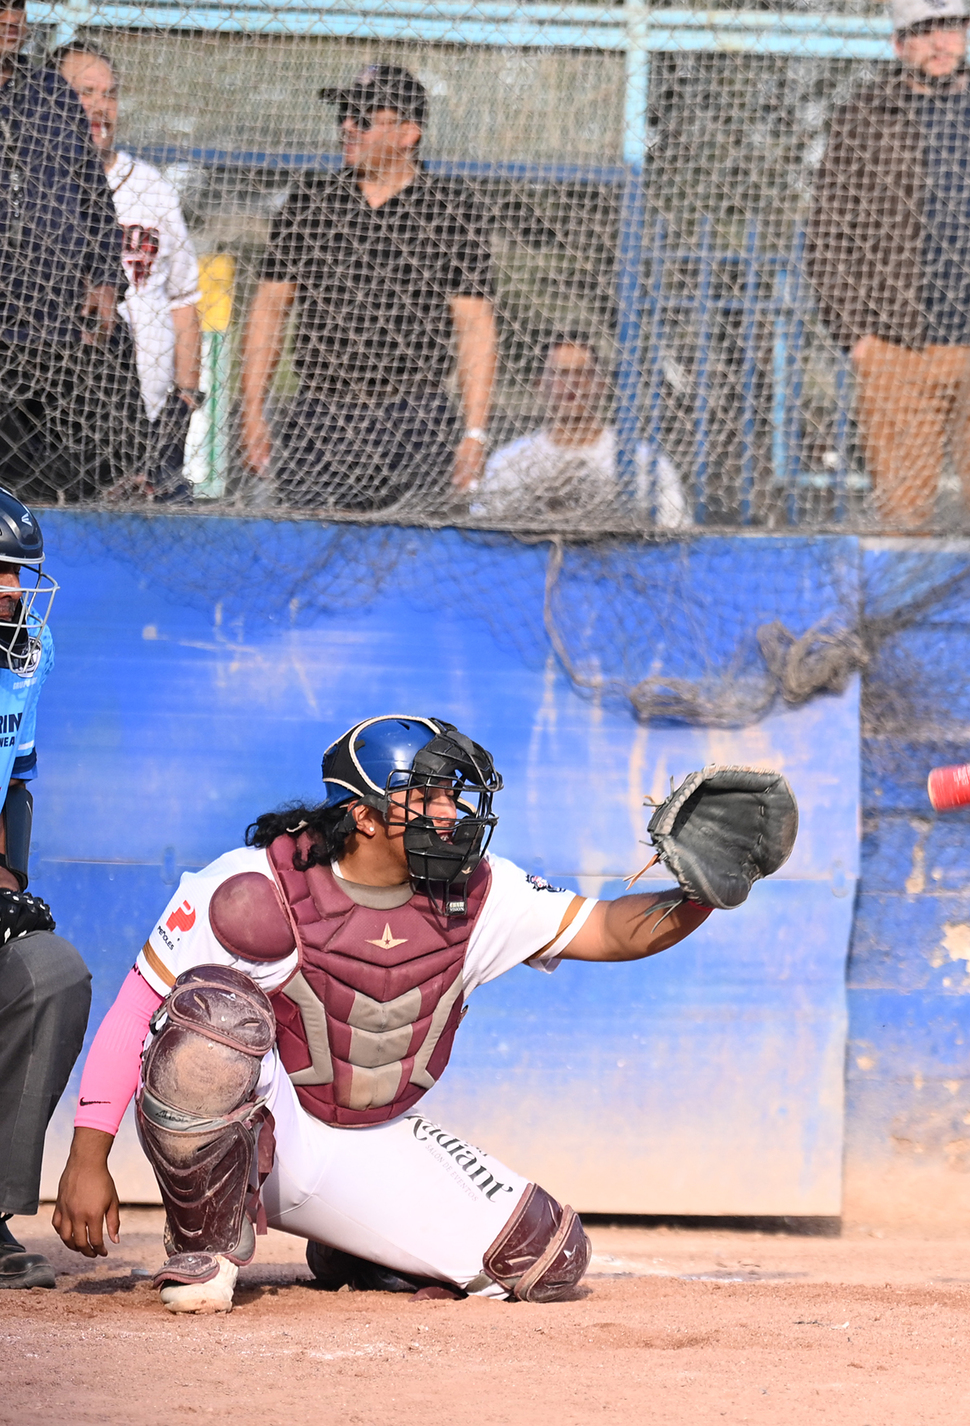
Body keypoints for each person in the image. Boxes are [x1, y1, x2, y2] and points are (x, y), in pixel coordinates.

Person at [50, 717, 795, 1312]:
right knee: (214, 1015)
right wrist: (87, 1156)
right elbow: (136, 1013)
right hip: (257, 1138)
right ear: (363, 816)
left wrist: (702, 890)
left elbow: (610, 929)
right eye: (428, 798)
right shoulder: (256, 887)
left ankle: (357, 1244)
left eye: (455, 798)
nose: (451, 815)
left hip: (365, 1137)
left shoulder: (479, 891)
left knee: (548, 1258)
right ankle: (204, 1250)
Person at [807, 0, 970, 532]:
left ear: (967, 33)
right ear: (899, 44)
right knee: (902, 518)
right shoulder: (864, 119)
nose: (939, 42)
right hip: (898, 349)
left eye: (949, 27)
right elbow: (826, 233)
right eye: (922, 31)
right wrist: (857, 338)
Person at [240, 65, 496, 512]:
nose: (347, 126)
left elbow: (474, 326)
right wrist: (253, 411)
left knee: (411, 558)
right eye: (343, 114)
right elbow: (269, 309)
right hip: (320, 413)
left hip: (415, 413)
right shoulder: (311, 201)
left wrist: (474, 432)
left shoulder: (453, 210)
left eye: (362, 117)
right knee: (311, 552)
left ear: (408, 133)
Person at [0, 488, 89, 1290]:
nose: (11, 590)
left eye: (20, 574)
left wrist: (7, 886)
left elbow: (13, 784)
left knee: (48, 971)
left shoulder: (23, 652)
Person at [54, 42, 202, 503]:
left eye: (110, 94)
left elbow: (184, 302)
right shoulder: (32, 187)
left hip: (157, 425)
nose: (100, 106)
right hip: (64, 422)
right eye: (85, 92)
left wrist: (186, 399)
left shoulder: (151, 187)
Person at [0, 5, 133, 505]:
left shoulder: (49, 92)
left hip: (56, 327)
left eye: (17, 3)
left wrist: (103, 278)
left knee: (72, 481)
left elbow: (94, 196)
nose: (11, 15)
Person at [470, 335, 688, 526]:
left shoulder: (643, 460)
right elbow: (484, 526)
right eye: (560, 373)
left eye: (583, 373)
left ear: (602, 384)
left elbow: (675, 525)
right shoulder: (510, 461)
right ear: (539, 383)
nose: (572, 383)